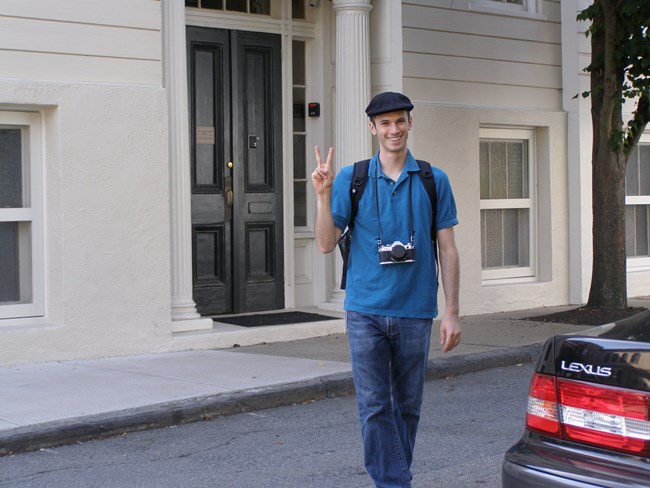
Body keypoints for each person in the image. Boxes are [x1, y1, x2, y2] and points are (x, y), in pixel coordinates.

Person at [311, 91, 461, 488]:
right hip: (365, 311)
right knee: (375, 406)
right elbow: (326, 242)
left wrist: (452, 312)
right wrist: (323, 197)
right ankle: (394, 483)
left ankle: (393, 478)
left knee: (407, 406)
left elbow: (447, 249)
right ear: (372, 128)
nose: (393, 129)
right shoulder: (352, 178)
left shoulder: (433, 179)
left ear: (410, 123)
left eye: (399, 121)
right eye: (385, 123)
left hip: (415, 310)